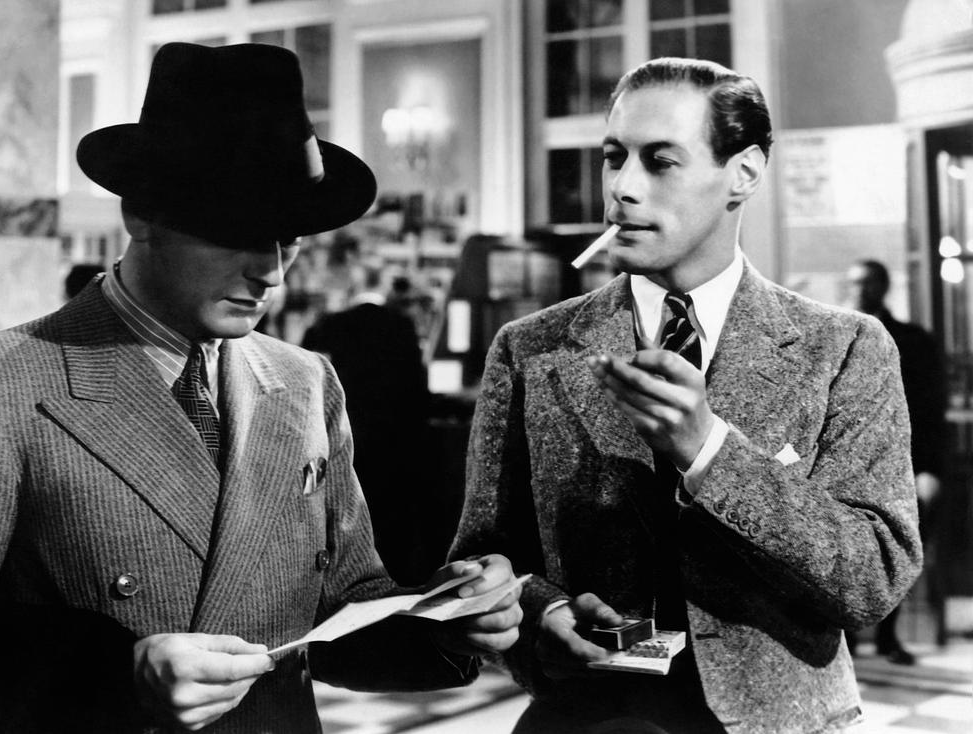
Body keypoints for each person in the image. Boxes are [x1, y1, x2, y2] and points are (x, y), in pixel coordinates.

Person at [0, 42, 522, 734]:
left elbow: (341, 608)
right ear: (141, 214)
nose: (271, 272)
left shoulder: (304, 381)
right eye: (238, 231)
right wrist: (119, 674)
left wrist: (446, 617)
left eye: (289, 238)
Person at [448, 57, 922, 733]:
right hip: (588, 720)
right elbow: (481, 561)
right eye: (614, 158)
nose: (623, 188)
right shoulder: (532, 348)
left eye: (661, 161)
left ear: (744, 173)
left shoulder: (843, 347)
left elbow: (873, 579)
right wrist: (540, 615)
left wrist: (710, 452)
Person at [843, 259, 948, 664]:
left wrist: (931, 469)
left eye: (868, 283)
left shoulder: (913, 340)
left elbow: (931, 410)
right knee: (848, 548)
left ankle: (888, 637)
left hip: (905, 461)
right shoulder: (837, 332)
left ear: (884, 287)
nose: (860, 290)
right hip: (849, 462)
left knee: (899, 548)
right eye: (854, 283)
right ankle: (848, 640)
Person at [302, 268, 433, 584]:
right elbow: (417, 389)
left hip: (346, 434)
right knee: (392, 522)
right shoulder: (401, 324)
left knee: (345, 516)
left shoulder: (332, 323)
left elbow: (304, 374)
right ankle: (391, 583)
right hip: (394, 440)